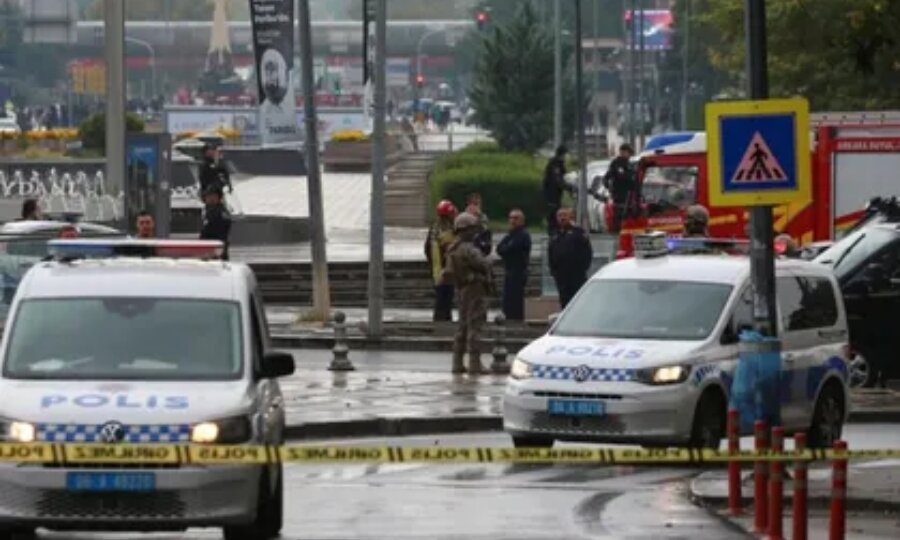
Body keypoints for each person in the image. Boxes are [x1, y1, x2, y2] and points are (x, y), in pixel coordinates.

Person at [446, 212, 494, 375]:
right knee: (475, 326)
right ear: (466, 230)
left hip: (462, 288)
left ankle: (457, 362)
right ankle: (475, 364)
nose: (475, 232)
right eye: (473, 228)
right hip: (475, 288)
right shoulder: (469, 249)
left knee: (462, 326)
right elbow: (483, 264)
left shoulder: (453, 248)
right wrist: (489, 261)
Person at [549, 208, 593, 308]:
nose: (562, 218)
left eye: (564, 215)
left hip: (576, 275)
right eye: (560, 216)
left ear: (570, 217)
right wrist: (553, 271)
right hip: (561, 275)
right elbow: (550, 253)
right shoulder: (555, 234)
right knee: (564, 300)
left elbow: (587, 252)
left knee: (577, 300)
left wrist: (582, 268)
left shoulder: (578, 233)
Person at [425, 200, 458, 321]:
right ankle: (443, 323)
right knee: (445, 299)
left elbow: (427, 249)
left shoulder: (434, 228)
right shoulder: (448, 231)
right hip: (446, 269)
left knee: (441, 298)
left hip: (436, 269)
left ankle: (441, 321)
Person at [496, 209, 532, 321]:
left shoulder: (523, 235)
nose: (512, 221)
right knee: (508, 299)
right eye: (511, 218)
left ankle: (515, 320)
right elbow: (500, 248)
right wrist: (506, 249)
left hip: (519, 271)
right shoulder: (510, 234)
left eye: (516, 218)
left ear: (522, 220)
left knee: (515, 299)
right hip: (509, 269)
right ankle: (509, 317)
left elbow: (513, 249)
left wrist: (507, 249)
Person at [602, 143, 636, 233]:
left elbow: (634, 179)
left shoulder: (630, 164)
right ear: (622, 152)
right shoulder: (616, 163)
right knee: (619, 218)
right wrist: (610, 189)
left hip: (629, 196)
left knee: (628, 219)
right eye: (627, 152)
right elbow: (606, 178)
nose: (629, 155)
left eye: (629, 153)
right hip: (619, 196)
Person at [543, 145, 570, 236]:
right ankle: (553, 232)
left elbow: (564, 177)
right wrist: (567, 187)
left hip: (556, 192)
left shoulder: (559, 163)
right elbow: (557, 179)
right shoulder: (555, 164)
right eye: (566, 154)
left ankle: (556, 230)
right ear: (562, 154)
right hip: (551, 192)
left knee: (556, 211)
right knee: (553, 212)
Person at [200, 185, 232, 260]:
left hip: (216, 250)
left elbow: (221, 232)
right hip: (206, 249)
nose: (211, 199)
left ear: (219, 198)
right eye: (209, 196)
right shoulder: (207, 210)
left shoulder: (221, 212)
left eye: (214, 196)